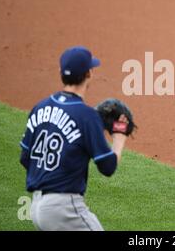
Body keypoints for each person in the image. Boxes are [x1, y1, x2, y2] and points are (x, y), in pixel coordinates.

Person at [19, 46, 128, 230]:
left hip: (36, 206)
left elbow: (25, 158)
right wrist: (119, 137)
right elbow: (107, 167)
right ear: (89, 74)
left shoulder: (40, 107)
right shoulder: (86, 116)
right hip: (64, 208)